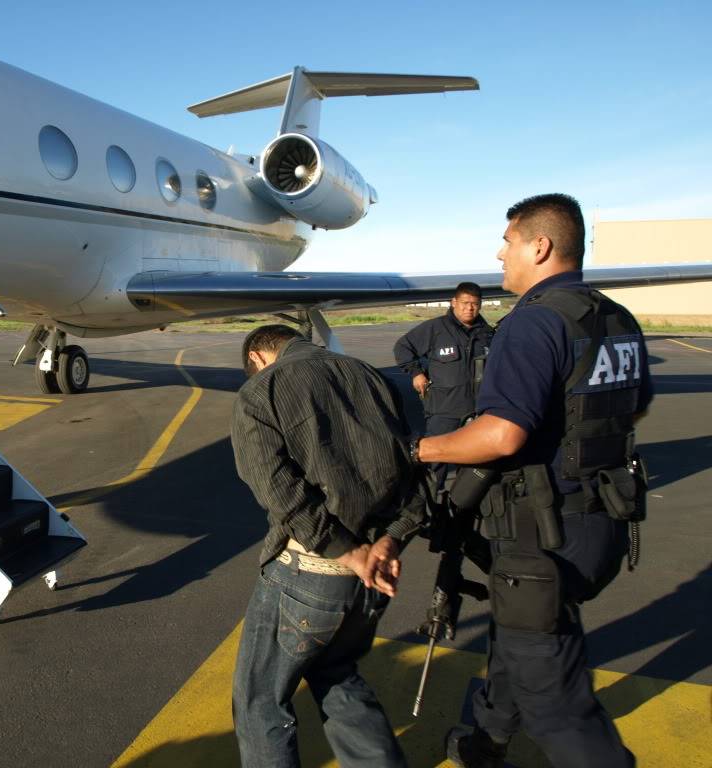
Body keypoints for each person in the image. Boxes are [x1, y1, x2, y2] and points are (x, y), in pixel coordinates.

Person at [413, 194, 647, 768]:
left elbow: (502, 436)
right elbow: (631, 409)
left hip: (541, 536)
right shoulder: (616, 318)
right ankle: (485, 742)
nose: (500, 253)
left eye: (509, 240)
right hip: (604, 523)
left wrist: (421, 448)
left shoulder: (533, 322)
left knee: (557, 707)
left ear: (539, 246)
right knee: (520, 635)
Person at [230, 324, 425, 768]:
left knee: (260, 701)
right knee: (335, 673)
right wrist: (390, 540)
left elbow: (279, 491)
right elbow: (413, 465)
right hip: (373, 576)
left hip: (311, 574)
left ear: (260, 358)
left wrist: (348, 551)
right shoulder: (369, 375)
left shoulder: (263, 390)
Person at [394, 282, 494, 435]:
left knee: (478, 457)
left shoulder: (488, 334)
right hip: (444, 412)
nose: (469, 308)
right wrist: (416, 373)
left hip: (480, 411)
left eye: (475, 303)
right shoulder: (435, 328)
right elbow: (403, 347)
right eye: (465, 303)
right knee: (440, 456)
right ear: (454, 302)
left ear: (480, 305)